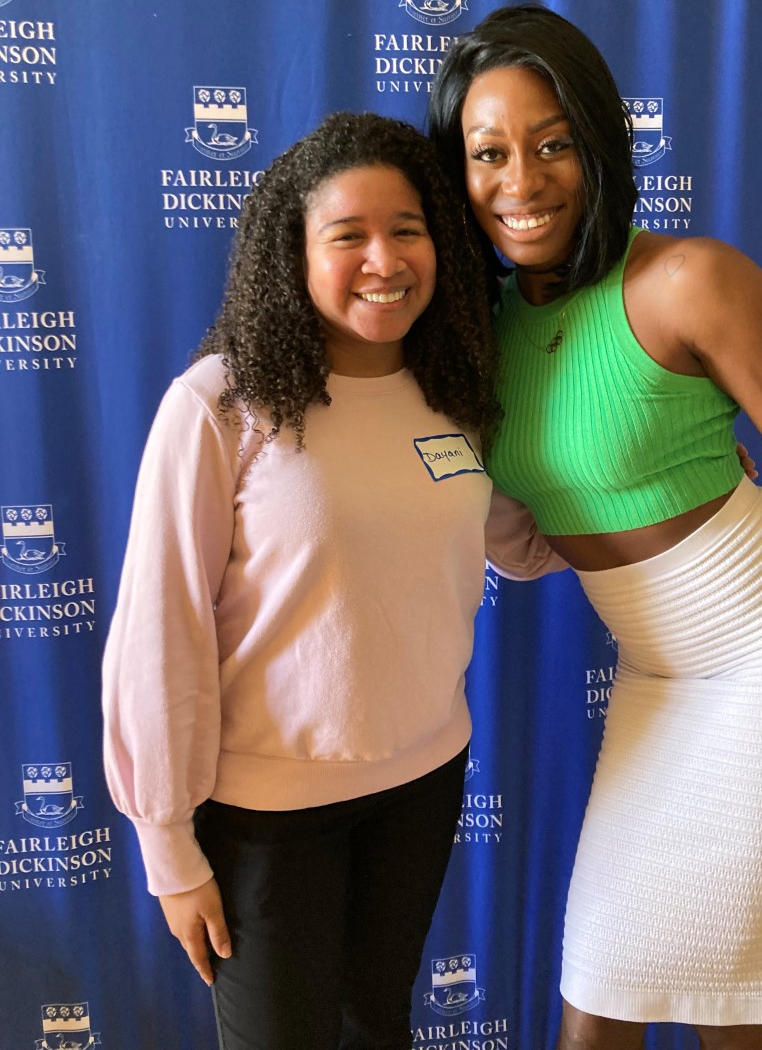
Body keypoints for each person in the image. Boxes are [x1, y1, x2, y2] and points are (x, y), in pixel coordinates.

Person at [428, 4, 762, 1050]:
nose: (520, 180)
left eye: (553, 142)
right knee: (600, 989)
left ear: (600, 143)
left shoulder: (688, 282)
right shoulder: (477, 331)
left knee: (730, 1004)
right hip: (659, 675)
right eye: (489, 153)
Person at [102, 112, 513, 1050]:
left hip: (421, 783)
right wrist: (167, 841)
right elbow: (161, 629)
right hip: (266, 819)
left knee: (378, 1027)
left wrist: (668, 486)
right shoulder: (221, 404)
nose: (385, 258)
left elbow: (519, 538)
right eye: (348, 235)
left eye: (407, 229)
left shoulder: (456, 394)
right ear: (293, 252)